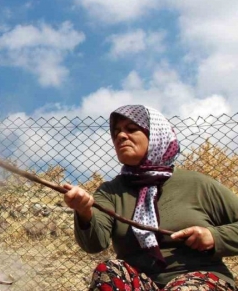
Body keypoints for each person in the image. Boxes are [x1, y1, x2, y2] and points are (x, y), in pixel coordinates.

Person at [63, 105, 238, 291]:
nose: (120, 136)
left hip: (199, 278)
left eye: (131, 129)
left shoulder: (197, 184)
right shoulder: (110, 192)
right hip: (142, 283)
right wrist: (84, 211)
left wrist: (214, 236)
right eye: (116, 132)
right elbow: (94, 244)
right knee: (110, 271)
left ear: (155, 135)